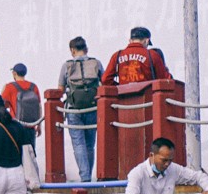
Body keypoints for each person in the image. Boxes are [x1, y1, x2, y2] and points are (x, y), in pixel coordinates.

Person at [58, 37, 102, 181]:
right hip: (92, 107)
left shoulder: (67, 65)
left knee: (78, 144)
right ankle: (87, 176)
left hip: (73, 109)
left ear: (72, 50)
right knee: (90, 144)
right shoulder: (96, 63)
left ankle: (85, 178)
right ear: (86, 49)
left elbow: (60, 89)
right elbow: (105, 85)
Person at [105, 26, 172, 86]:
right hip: (147, 98)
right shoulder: (153, 55)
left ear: (130, 41)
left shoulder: (117, 55)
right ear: (147, 41)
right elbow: (166, 80)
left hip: (124, 98)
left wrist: (119, 87)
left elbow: (105, 79)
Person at [1, 63, 40, 138]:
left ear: (14, 73)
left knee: (15, 149)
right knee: (30, 149)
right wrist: (39, 125)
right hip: (31, 126)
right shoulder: (34, 87)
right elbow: (39, 107)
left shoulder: (9, 87)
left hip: (15, 126)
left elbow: (2, 106)